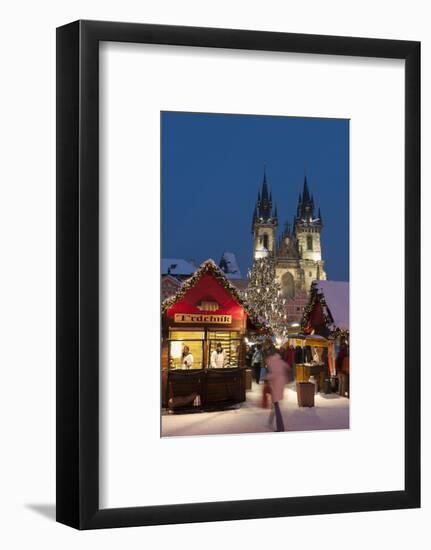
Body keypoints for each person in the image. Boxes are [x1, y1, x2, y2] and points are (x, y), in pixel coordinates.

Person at [265, 346, 289, 432]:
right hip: (279, 386)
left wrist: (267, 377)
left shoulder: (272, 361)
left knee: (276, 405)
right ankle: (270, 421)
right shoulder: (279, 360)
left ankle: (280, 427)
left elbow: (275, 373)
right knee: (275, 404)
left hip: (276, 387)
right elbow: (287, 367)